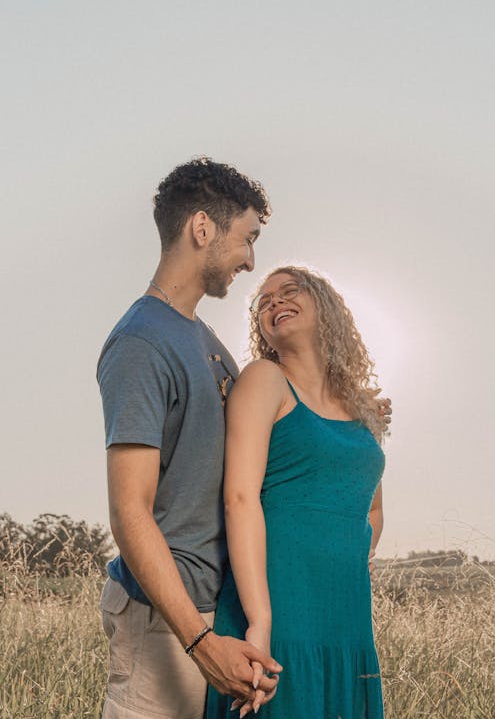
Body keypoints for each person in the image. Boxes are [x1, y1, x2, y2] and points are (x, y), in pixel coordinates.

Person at [96, 157, 283, 719]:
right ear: (202, 228)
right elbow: (130, 512)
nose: (252, 260)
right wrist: (199, 644)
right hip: (167, 620)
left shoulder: (204, 340)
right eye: (247, 239)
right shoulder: (140, 344)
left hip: (214, 613)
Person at [205, 266, 389, 719]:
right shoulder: (264, 380)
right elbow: (240, 499)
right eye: (263, 302)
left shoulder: (363, 407)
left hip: (346, 616)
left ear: (326, 307)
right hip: (277, 604)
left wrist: (343, 556)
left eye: (290, 291)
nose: (274, 302)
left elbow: (373, 506)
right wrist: (260, 621)